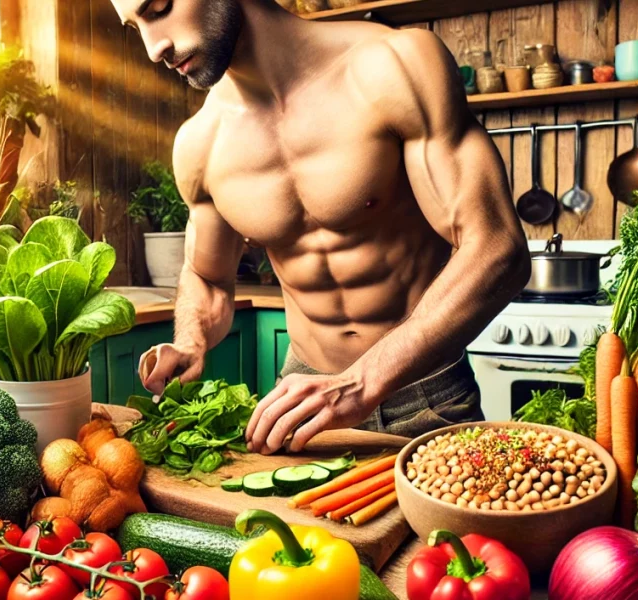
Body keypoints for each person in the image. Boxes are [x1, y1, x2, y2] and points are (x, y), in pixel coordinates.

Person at [111, 0, 532, 454]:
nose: (154, 48)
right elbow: (208, 277)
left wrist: (359, 383)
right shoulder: (200, 143)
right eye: (135, 27)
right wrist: (190, 342)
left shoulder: (393, 66)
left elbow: (497, 249)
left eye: (158, 8)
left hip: (424, 399)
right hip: (302, 406)